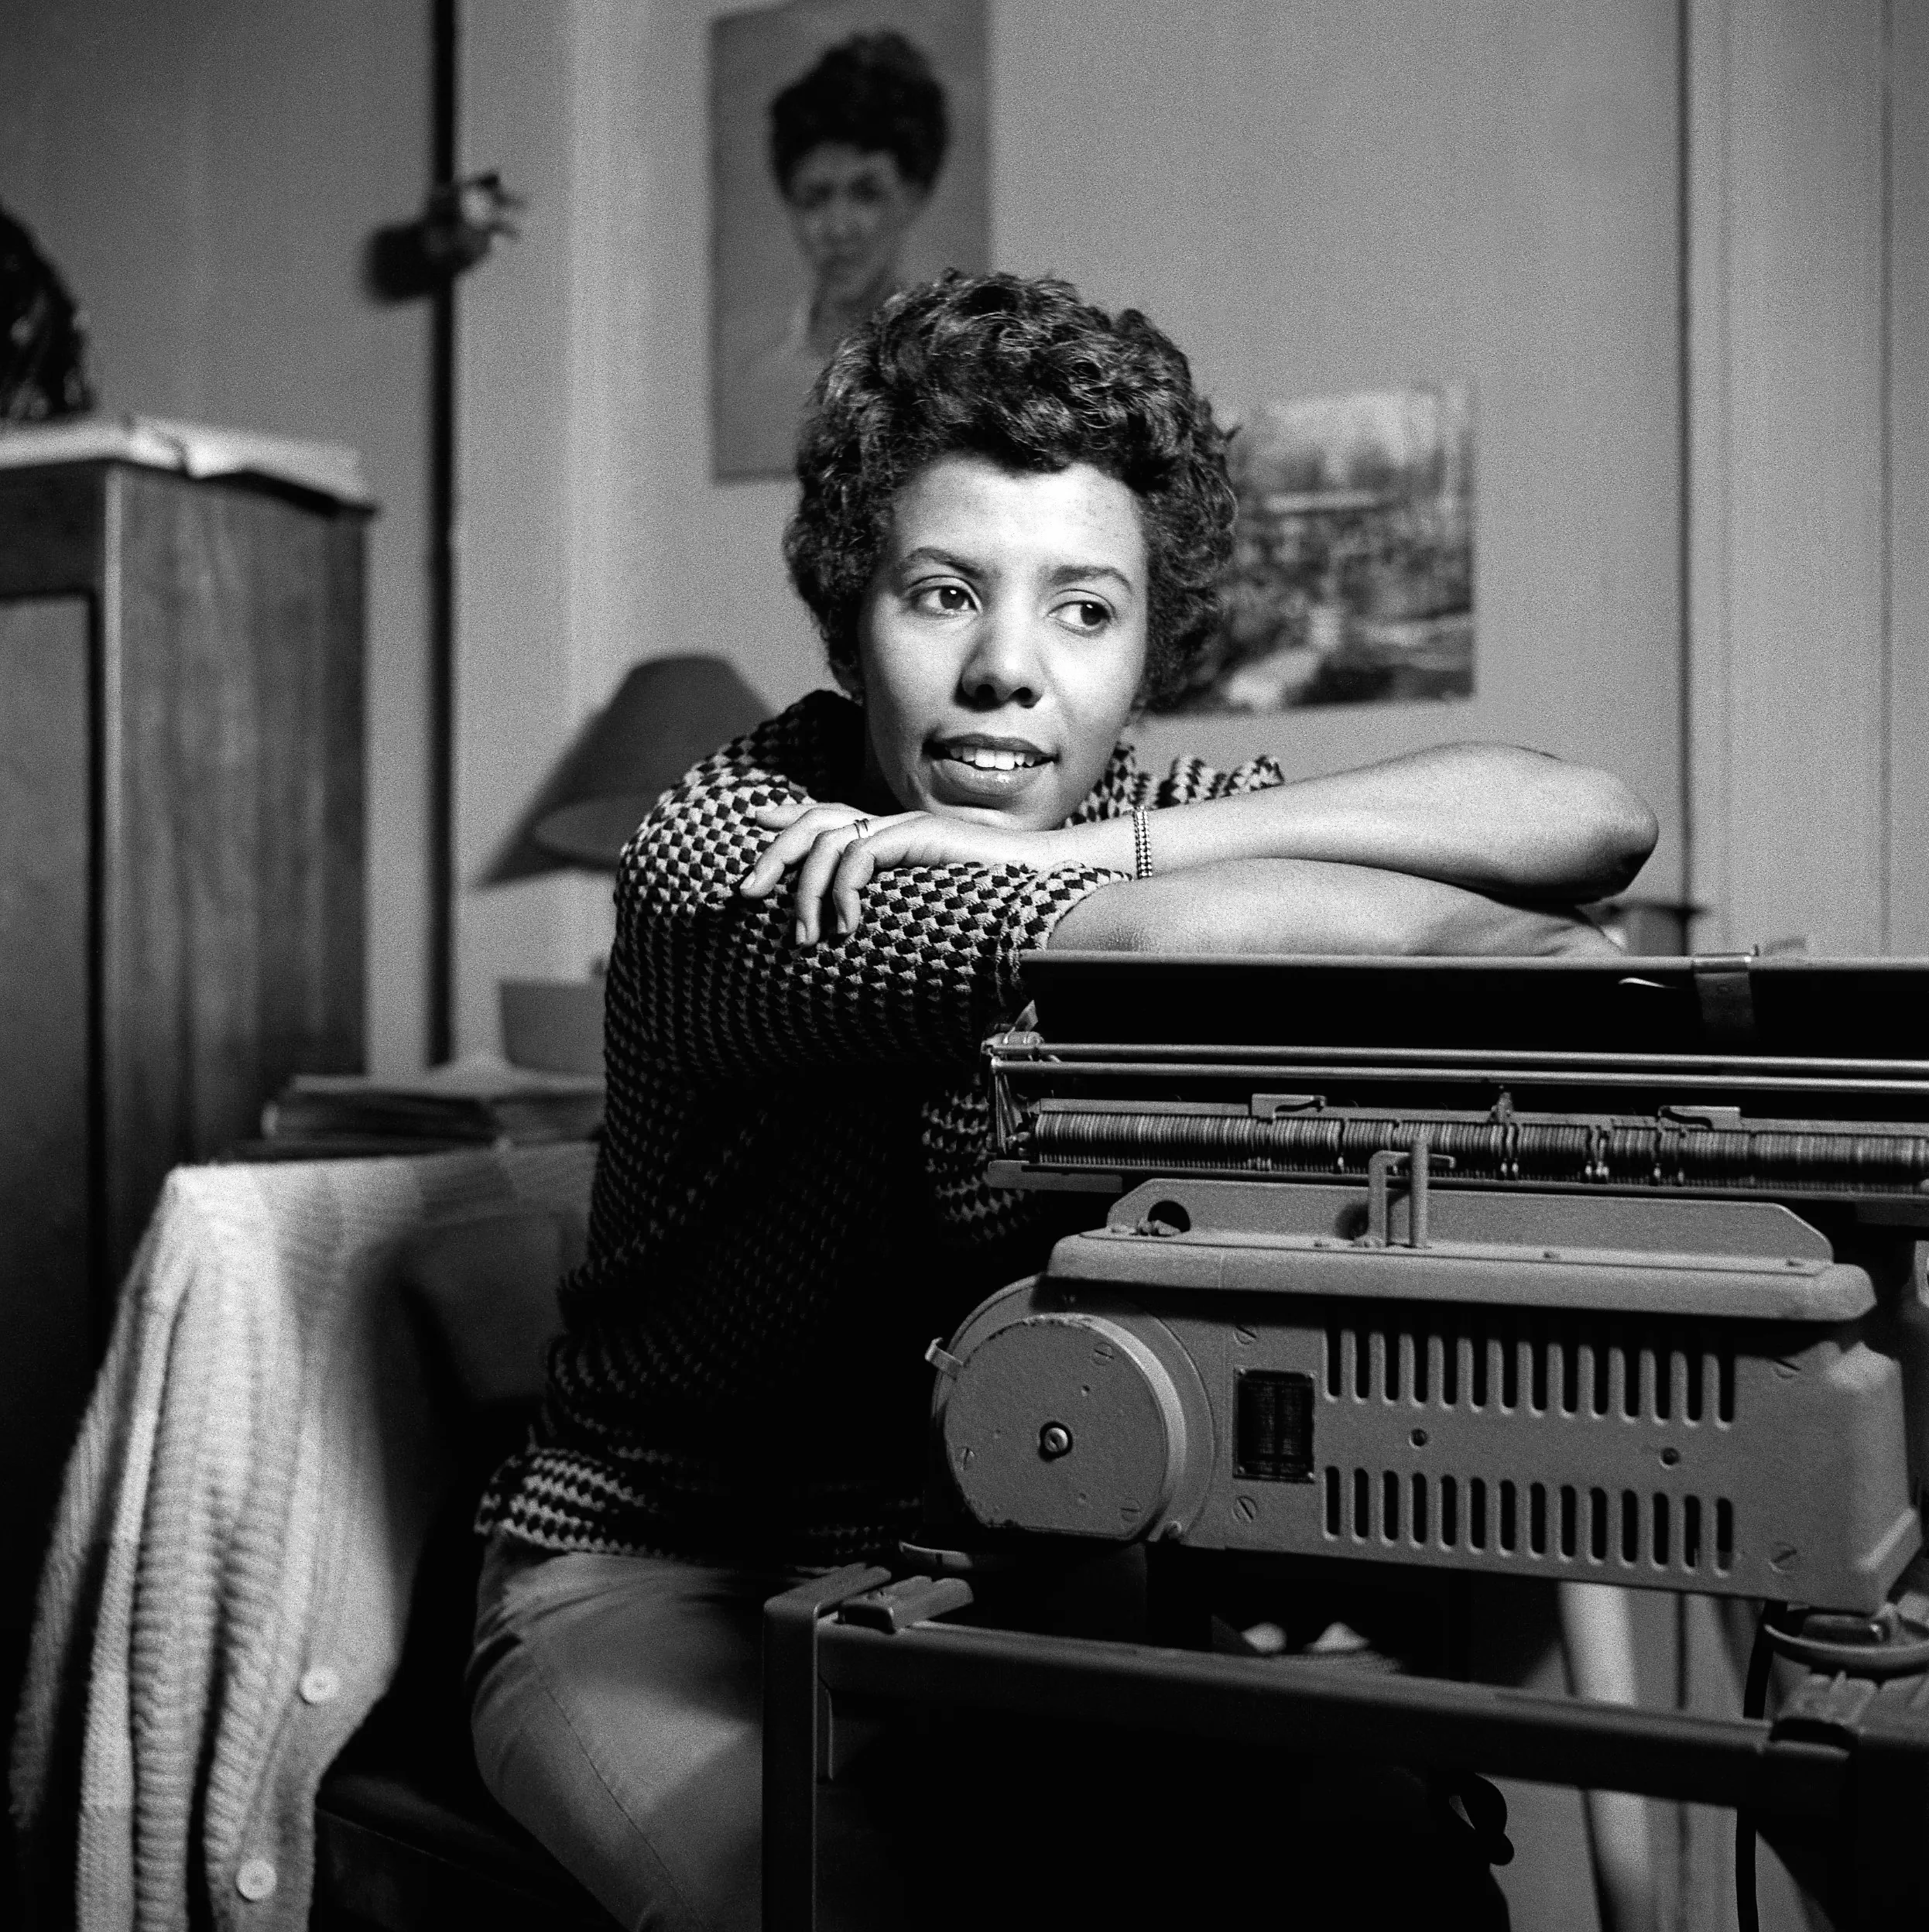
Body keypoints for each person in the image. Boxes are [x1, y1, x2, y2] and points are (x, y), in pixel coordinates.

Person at [469, 271, 1658, 1932]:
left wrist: (1100, 840)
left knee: (1398, 1870)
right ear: (845, 616)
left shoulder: (1125, 822)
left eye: (1084, 611)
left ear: (1147, 648)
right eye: (943, 594)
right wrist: (1157, 885)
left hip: (1012, 1581)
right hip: (658, 1577)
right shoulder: (748, 852)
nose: (1007, 672)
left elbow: (1585, 821)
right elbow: (1225, 935)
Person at [731, 33, 951, 475]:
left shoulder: (946, 375)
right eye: (815, 197)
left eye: (866, 193)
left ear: (914, 195)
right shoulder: (763, 382)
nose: (838, 226)